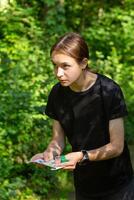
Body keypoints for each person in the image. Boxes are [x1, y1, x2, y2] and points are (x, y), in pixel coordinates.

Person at [31, 32, 134, 200]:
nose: (58, 73)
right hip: (84, 187)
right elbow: (57, 140)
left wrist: (81, 156)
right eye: (55, 65)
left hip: (119, 186)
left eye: (65, 66)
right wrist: (49, 154)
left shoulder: (108, 91)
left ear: (83, 63)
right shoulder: (57, 94)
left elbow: (117, 147)